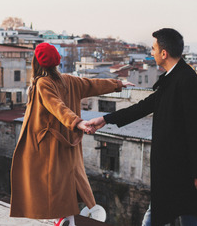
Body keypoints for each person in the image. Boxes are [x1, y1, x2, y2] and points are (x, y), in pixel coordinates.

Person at [86, 28, 197, 226]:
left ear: (164, 53)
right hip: (173, 169)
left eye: (153, 49)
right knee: (180, 214)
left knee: (180, 215)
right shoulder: (174, 78)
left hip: (182, 170)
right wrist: (105, 119)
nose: (151, 53)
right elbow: (143, 107)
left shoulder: (187, 82)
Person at [10, 42, 123, 226]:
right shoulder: (69, 80)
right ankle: (68, 218)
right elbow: (92, 85)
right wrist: (117, 84)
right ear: (56, 62)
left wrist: (77, 122)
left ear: (36, 62)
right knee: (66, 185)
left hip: (48, 146)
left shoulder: (41, 83)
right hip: (68, 143)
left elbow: (57, 107)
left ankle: (63, 220)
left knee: (49, 187)